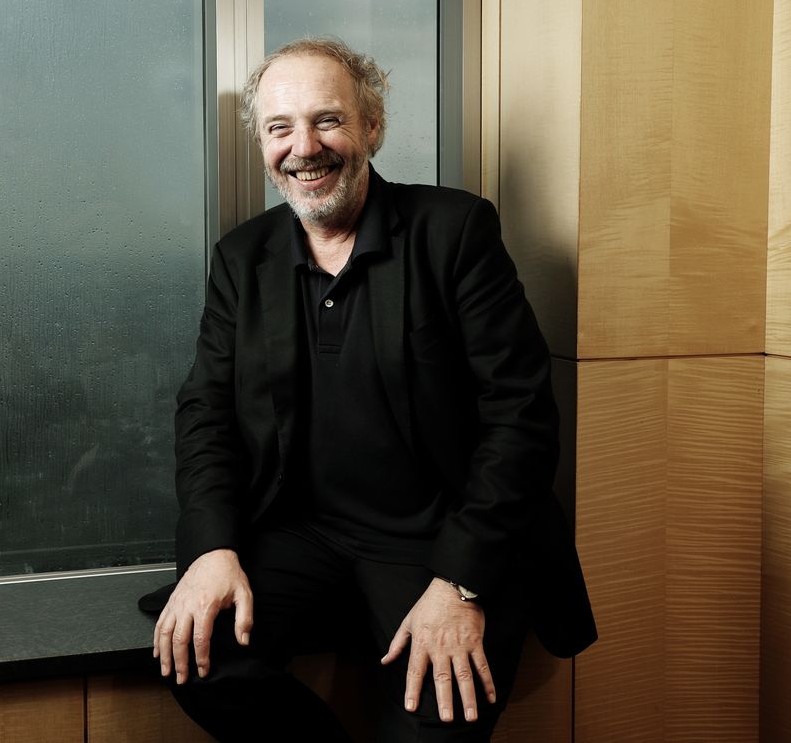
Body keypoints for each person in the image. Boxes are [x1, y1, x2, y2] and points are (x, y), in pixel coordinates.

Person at [153, 37, 595, 741]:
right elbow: (204, 413)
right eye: (279, 127)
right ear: (263, 144)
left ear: (372, 127)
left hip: (440, 539)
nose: (303, 147)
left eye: (327, 120)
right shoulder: (241, 258)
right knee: (198, 659)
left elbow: (521, 420)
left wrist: (461, 584)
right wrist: (211, 550)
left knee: (440, 719)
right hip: (302, 533)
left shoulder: (455, 232)